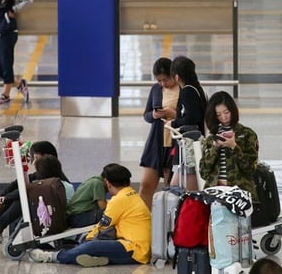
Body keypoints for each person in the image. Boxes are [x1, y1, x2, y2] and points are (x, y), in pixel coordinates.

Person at [29, 163, 151, 267]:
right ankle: (100, 259)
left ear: (108, 183)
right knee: (90, 245)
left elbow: (103, 225)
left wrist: (88, 238)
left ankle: (52, 256)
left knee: (92, 246)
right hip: (140, 248)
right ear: (129, 181)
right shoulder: (133, 195)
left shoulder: (119, 200)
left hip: (134, 249)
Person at [0, 141, 67, 243]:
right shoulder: (41, 174)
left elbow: (28, 190)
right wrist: (1, 197)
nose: (34, 162)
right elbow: (16, 184)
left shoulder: (53, 181)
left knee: (21, 200)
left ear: (47, 158)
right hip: (44, 211)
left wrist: (4, 199)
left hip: (53, 216)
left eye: (37, 158)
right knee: (15, 196)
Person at [199, 91, 259, 204]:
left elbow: (250, 169)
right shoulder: (211, 138)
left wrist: (234, 147)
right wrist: (215, 148)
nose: (224, 117)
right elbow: (204, 172)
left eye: (226, 112)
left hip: (241, 193)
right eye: (218, 115)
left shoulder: (247, 134)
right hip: (215, 193)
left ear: (232, 110)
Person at [138, 57, 179, 207]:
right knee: (146, 185)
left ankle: (168, 219)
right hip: (156, 140)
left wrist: (173, 114)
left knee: (171, 186)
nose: (163, 83)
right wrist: (154, 115)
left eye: (165, 79)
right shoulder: (156, 89)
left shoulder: (183, 89)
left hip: (174, 140)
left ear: (173, 75)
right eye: (159, 80)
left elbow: (190, 116)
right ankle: (143, 217)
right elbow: (147, 115)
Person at [169, 55, 207, 188]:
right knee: (177, 185)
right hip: (193, 143)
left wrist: (173, 123)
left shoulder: (188, 92)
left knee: (183, 187)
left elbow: (191, 118)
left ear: (176, 76)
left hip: (189, 145)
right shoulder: (196, 89)